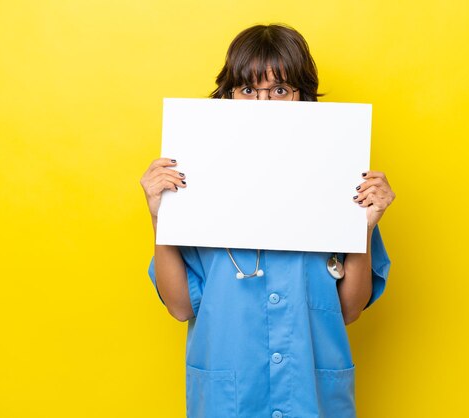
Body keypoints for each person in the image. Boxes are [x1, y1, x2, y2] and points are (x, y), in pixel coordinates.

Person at [140, 23, 395, 418]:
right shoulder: (195, 183)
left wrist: (364, 227)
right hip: (231, 400)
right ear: (227, 97)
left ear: (302, 97)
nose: (263, 103)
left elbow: (349, 309)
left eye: (279, 90)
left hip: (311, 397)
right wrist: (162, 218)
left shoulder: (338, 179)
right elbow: (179, 307)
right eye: (246, 90)